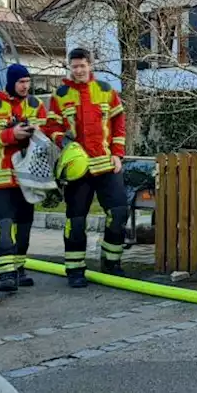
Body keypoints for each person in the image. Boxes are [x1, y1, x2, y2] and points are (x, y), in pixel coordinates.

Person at [46, 48, 129, 288]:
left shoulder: (105, 91)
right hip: (77, 170)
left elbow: (119, 123)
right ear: (69, 67)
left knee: (119, 213)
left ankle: (111, 263)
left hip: (105, 165)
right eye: (75, 66)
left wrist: (118, 154)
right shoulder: (60, 95)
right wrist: (62, 140)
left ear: (90, 65)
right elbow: (50, 126)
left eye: (83, 65)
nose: (79, 70)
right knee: (76, 221)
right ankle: (75, 269)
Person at [0, 64, 50, 292]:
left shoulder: (36, 105)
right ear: (11, 82)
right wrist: (13, 134)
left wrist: (30, 134)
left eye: (28, 81)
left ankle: (19, 269)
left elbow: (44, 135)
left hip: (28, 177)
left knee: (24, 226)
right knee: (4, 225)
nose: (26, 86)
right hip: (2, 177)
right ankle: (5, 273)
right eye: (21, 82)